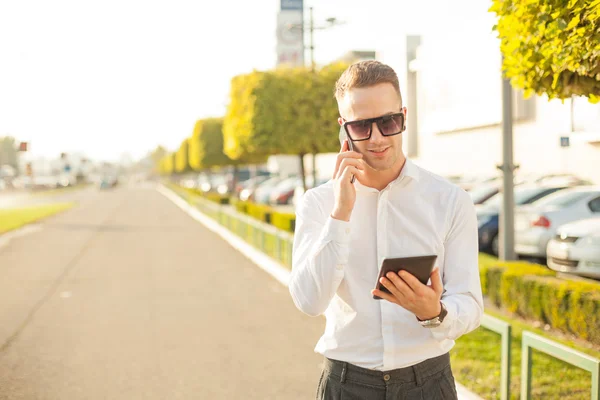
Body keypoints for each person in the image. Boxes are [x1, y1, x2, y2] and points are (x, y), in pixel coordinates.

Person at [288, 60, 483, 399]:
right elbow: (309, 301)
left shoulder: (450, 201)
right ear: (343, 129)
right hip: (346, 384)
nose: (377, 138)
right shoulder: (318, 204)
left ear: (403, 117)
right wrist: (341, 213)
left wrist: (434, 313)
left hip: (429, 383)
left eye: (388, 122)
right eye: (362, 126)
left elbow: (470, 302)